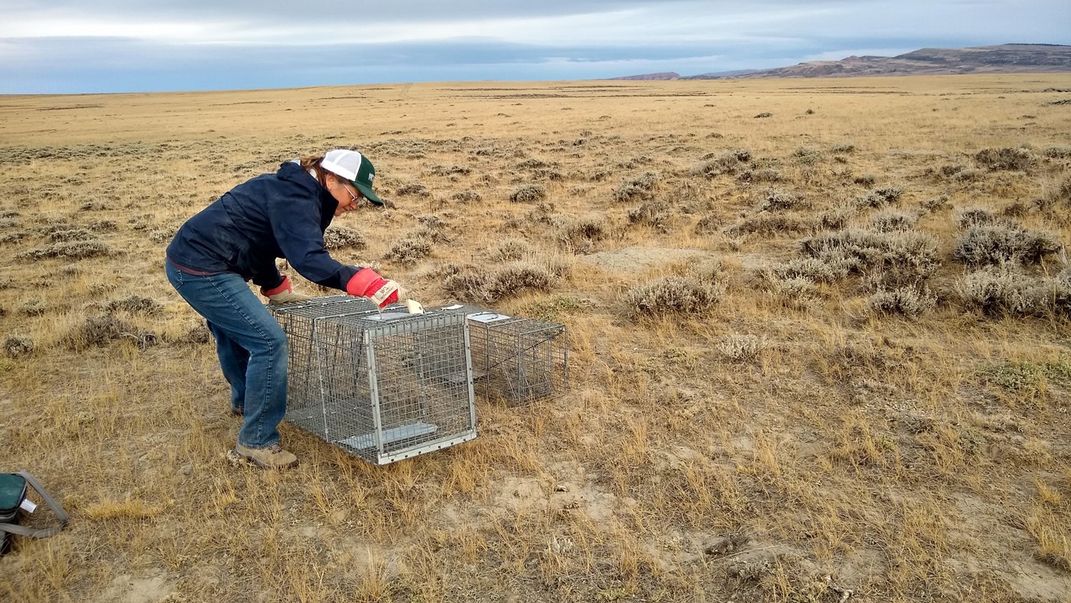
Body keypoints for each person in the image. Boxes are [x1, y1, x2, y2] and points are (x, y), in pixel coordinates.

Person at [165, 149, 407, 469]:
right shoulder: (296, 197)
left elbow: (259, 238)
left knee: (233, 330)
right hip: (201, 267)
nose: (355, 203)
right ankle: (257, 441)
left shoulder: (301, 191)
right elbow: (308, 259)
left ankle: (244, 400)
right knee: (268, 341)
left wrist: (273, 284)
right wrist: (365, 282)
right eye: (355, 194)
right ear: (331, 178)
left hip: (205, 260)